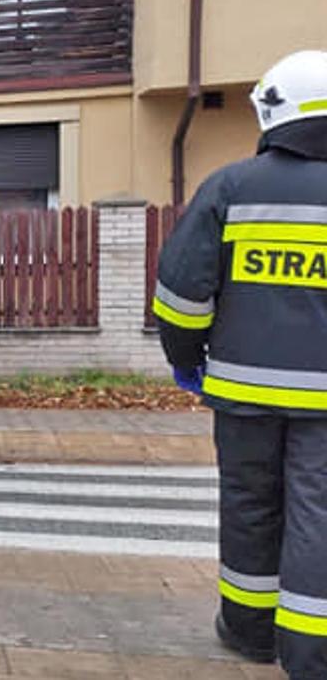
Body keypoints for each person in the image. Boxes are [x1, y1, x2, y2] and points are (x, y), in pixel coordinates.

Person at [154, 49, 327, 673]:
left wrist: (185, 360)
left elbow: (180, 293)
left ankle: (251, 632)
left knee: (250, 505)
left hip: (243, 393)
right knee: (319, 512)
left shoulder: (231, 187)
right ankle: (313, 653)